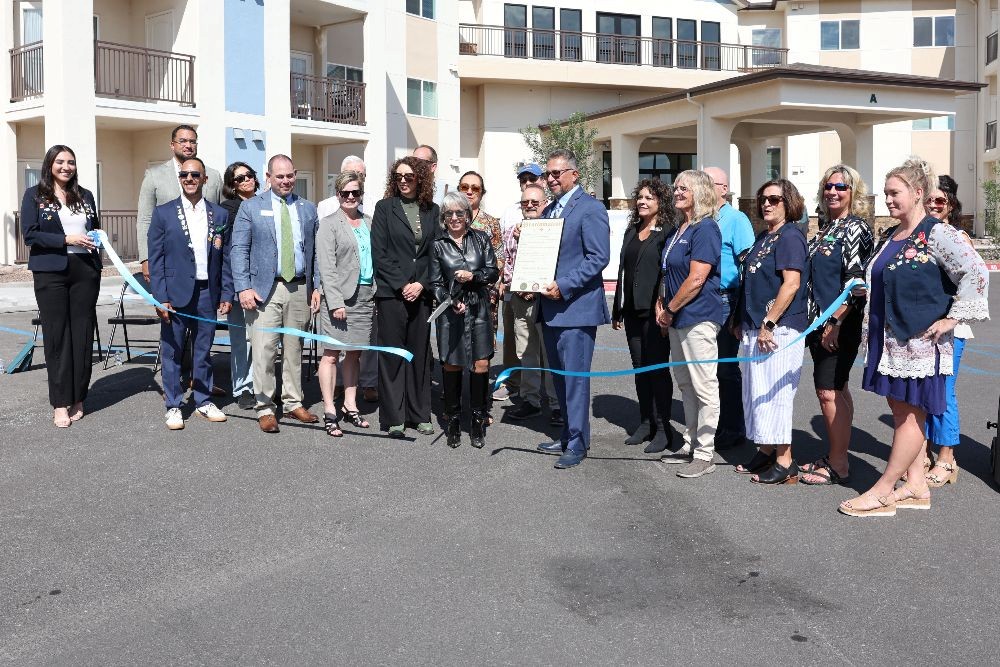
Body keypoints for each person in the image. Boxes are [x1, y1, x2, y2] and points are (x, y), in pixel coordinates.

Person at [840, 159, 989, 516]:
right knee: (900, 411)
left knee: (910, 417)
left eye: (895, 193)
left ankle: (883, 490)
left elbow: (975, 271)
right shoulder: (892, 235)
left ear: (918, 193)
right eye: (887, 193)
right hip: (890, 340)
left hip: (920, 343)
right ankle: (917, 485)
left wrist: (953, 318)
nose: (888, 200)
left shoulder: (937, 232)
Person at [231, 154, 321, 434]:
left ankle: (293, 402)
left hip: (300, 288)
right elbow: (238, 250)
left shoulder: (308, 209)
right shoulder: (251, 208)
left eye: (290, 175)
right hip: (262, 290)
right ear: (268, 177)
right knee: (265, 349)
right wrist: (243, 287)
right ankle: (265, 407)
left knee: (295, 349)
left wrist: (316, 286)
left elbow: (314, 252)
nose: (285, 181)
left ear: (295, 174)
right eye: (279, 176)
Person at [534, 149, 611, 470]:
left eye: (557, 173)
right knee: (561, 378)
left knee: (575, 379)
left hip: (575, 309)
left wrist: (563, 285)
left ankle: (578, 443)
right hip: (550, 308)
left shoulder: (590, 209)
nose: (551, 179)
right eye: (548, 174)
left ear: (574, 175)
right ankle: (567, 433)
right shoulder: (550, 210)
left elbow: (598, 257)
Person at [798, 165, 874, 485]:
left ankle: (839, 464)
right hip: (818, 325)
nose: (833, 192)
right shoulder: (825, 229)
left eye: (841, 187)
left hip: (838, 325)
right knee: (837, 389)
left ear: (852, 192)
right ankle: (836, 453)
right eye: (828, 186)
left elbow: (856, 285)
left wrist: (836, 322)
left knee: (827, 391)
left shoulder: (855, 228)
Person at [733, 179, 810, 485]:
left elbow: (791, 284)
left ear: (788, 202)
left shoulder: (790, 236)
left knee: (776, 394)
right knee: (757, 392)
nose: (766, 203)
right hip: (755, 327)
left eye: (774, 199)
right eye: (763, 198)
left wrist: (769, 322)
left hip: (779, 329)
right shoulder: (765, 236)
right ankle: (765, 449)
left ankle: (785, 460)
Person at [148, 157, 232, 430]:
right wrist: (160, 296)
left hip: (207, 291)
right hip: (174, 292)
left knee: (204, 350)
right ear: (179, 178)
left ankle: (203, 401)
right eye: (184, 174)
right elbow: (156, 258)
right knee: (172, 350)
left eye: (195, 175)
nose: (189, 179)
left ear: (205, 179)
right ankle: (173, 405)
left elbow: (226, 258)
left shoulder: (219, 214)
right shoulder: (163, 213)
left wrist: (226, 293)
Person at [20, 145, 102, 428]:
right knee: (57, 337)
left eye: (71, 162)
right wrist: (68, 239)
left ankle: (79, 397)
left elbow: (95, 229)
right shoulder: (35, 195)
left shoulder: (85, 196)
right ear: (50, 164)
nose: (66, 167)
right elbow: (30, 235)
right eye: (60, 162)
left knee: (82, 336)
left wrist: (94, 240)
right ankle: (59, 403)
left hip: (86, 271)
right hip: (51, 272)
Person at [655, 171, 723, 479]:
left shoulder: (705, 228)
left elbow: (697, 278)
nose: (677, 191)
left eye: (684, 188)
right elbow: (670, 273)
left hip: (697, 318)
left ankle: (705, 451)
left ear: (700, 193)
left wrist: (669, 308)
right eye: (676, 187)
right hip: (677, 318)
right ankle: (690, 442)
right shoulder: (679, 228)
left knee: (704, 385)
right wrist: (662, 303)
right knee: (685, 383)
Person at [371, 156, 439, 437]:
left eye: (409, 176)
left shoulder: (432, 210)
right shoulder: (385, 208)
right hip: (392, 294)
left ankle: (419, 414)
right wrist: (402, 284)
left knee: (419, 355)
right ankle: (394, 417)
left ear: (420, 178)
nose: (402, 181)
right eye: (398, 176)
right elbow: (380, 252)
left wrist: (421, 284)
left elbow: (436, 252)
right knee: (392, 356)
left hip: (421, 294)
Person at [432, 192, 500, 448]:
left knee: (480, 364)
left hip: (479, 308)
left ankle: (478, 420)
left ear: (468, 216)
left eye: (460, 212)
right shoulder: (438, 244)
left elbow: (492, 272)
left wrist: (473, 277)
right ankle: (452, 421)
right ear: (443, 218)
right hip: (452, 311)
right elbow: (435, 282)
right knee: (451, 365)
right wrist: (450, 300)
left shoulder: (481, 238)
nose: (454, 218)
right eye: (449, 213)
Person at [611, 178, 674, 454]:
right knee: (640, 369)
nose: (643, 201)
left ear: (661, 202)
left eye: (650, 197)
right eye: (640, 197)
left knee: (657, 370)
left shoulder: (668, 232)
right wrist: (618, 308)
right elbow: (624, 270)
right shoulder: (631, 230)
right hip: (632, 311)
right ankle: (645, 422)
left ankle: (663, 428)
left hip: (655, 313)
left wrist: (665, 308)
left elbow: (668, 273)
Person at [315, 170, 375, 438]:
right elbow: (326, 266)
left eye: (356, 192)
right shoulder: (328, 223)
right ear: (337, 194)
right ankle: (330, 409)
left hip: (365, 296)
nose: (351, 197)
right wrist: (335, 302)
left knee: (354, 353)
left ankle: (350, 405)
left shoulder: (370, 222)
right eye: (345, 193)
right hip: (339, 298)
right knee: (331, 353)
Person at [923, 175, 972, 488]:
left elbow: (973, 283)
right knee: (926, 392)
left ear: (951, 206)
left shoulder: (958, 237)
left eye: (940, 201)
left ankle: (947, 458)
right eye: (929, 200)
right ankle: (924, 453)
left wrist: (951, 318)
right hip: (924, 329)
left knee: (943, 392)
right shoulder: (921, 234)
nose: (934, 205)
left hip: (951, 328)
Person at [702, 166, 755, 450]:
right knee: (706, 370)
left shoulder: (736, 219)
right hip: (702, 302)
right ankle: (715, 423)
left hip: (725, 301)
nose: (705, 187)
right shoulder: (700, 218)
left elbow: (748, 264)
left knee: (724, 367)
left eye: (710, 183)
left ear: (724, 189)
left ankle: (734, 427)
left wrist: (741, 311)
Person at [501, 182, 560, 423]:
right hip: (521, 299)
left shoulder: (554, 229)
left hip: (547, 300)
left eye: (535, 202)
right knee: (526, 352)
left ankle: (557, 404)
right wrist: (517, 287)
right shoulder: (512, 232)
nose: (530, 206)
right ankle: (530, 399)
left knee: (551, 353)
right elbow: (508, 265)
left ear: (545, 204)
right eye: (526, 202)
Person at [137, 125, 222, 281]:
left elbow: (222, 219)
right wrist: (145, 258)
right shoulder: (154, 176)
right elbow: (144, 219)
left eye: (192, 141)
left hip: (206, 264)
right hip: (168, 262)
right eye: (182, 141)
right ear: (172, 145)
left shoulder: (214, 176)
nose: (188, 145)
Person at [494, 162, 545, 404]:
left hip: (544, 294)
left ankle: (553, 400)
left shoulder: (550, 211)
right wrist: (506, 281)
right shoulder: (510, 212)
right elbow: (505, 252)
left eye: (532, 179)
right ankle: (524, 391)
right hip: (516, 291)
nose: (527, 183)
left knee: (546, 349)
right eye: (523, 179)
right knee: (521, 346)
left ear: (541, 181)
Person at [220, 161, 259, 410]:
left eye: (249, 175)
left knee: (263, 339)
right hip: (237, 283)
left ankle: (260, 385)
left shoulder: (268, 202)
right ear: (231, 186)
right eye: (239, 178)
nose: (245, 180)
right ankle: (243, 387)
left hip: (264, 282)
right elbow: (227, 250)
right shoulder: (228, 210)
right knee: (241, 339)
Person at [458, 170, 505, 343]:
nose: (469, 191)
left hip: (484, 293)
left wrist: (484, 284)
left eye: (475, 188)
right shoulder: (448, 218)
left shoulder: (491, 223)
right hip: (456, 294)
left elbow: (499, 259)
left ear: (482, 192)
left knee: (481, 348)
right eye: (465, 187)